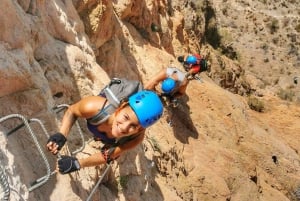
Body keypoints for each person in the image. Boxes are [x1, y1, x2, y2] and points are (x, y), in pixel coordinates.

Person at [46, 90, 163, 174]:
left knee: (113, 147)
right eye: (126, 117)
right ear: (121, 107)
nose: (124, 128)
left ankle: (102, 137)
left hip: (109, 136)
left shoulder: (135, 138)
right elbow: (72, 111)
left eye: (133, 126)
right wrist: (62, 134)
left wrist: (78, 164)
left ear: (141, 129)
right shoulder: (94, 106)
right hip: (101, 118)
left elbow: (107, 155)